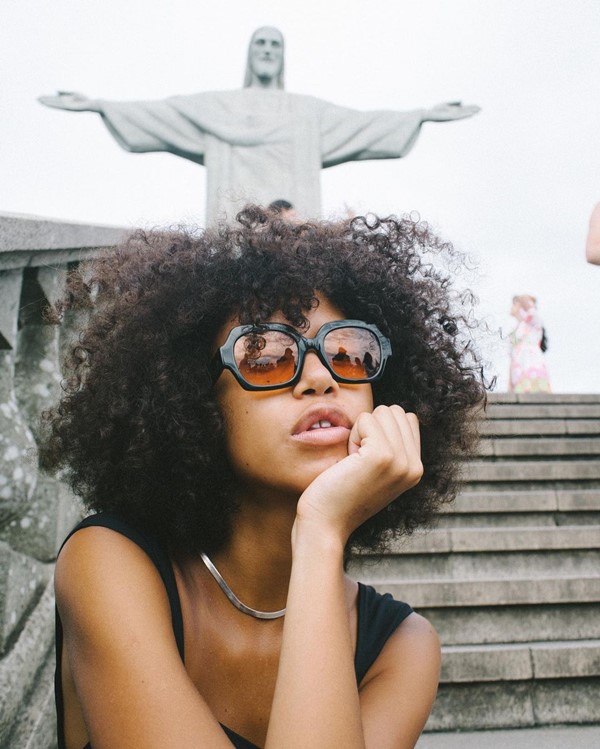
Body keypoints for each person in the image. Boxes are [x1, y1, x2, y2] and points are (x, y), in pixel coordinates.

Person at [41, 206, 487, 749]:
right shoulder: (109, 563)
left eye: (349, 351)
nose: (321, 378)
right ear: (195, 402)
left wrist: (320, 535)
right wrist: (323, 533)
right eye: (268, 357)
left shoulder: (402, 646)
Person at [38, 26, 480, 224]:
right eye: (260, 43)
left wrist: (420, 114)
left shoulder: (306, 110)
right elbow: (164, 113)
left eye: (275, 44)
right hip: (232, 231)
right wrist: (99, 105)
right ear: (250, 55)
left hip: (297, 233)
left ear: (282, 56)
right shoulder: (219, 105)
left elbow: (361, 125)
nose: (267, 50)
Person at [508, 294, 551, 393]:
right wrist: (510, 385)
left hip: (533, 365)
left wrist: (525, 301)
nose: (511, 307)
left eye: (514, 304)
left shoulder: (533, 324)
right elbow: (512, 358)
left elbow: (532, 312)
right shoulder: (513, 332)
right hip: (519, 370)